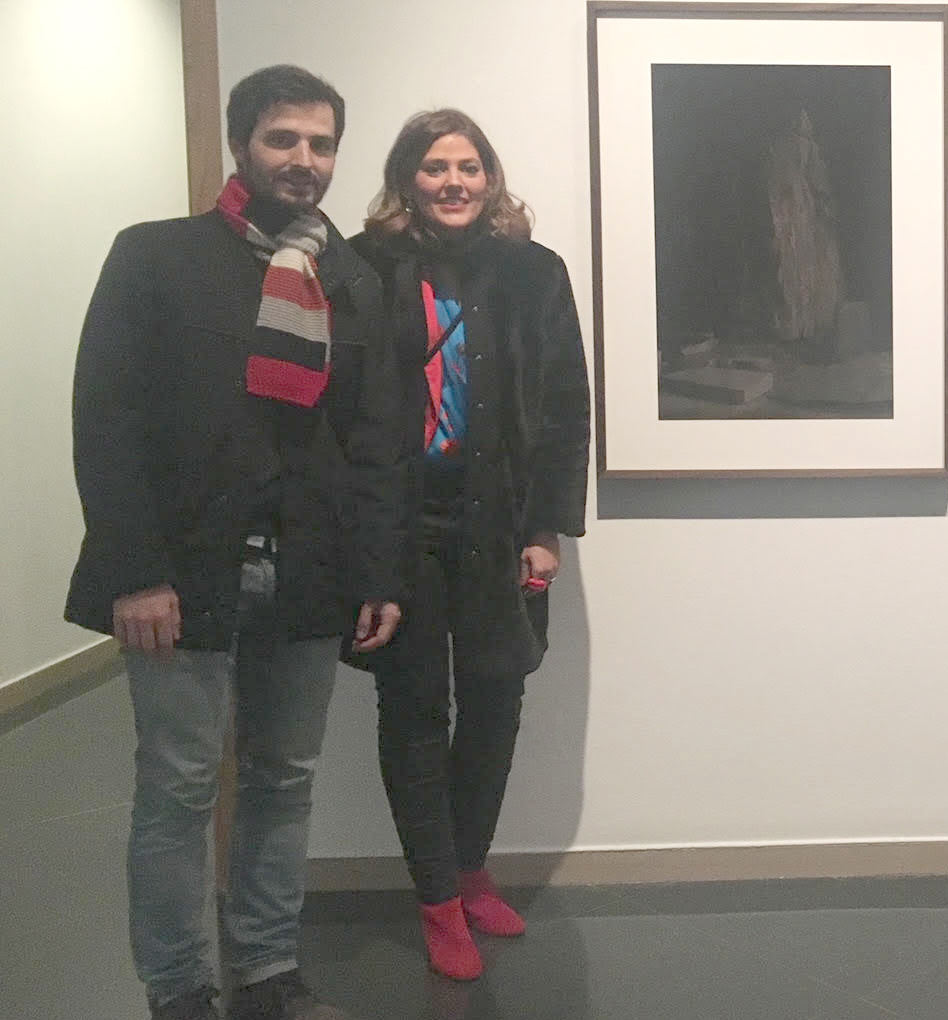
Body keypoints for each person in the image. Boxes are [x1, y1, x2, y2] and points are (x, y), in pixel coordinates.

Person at [67, 65, 407, 1020]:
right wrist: (136, 573)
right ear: (241, 144)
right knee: (177, 788)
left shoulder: (352, 278)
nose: (305, 161)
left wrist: (379, 571)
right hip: (182, 573)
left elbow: (379, 436)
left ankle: (266, 967)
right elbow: (108, 420)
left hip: (311, 568)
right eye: (283, 139)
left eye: (322, 143)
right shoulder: (155, 256)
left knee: (284, 778)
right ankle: (178, 989)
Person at [349, 109, 591, 981]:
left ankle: (472, 867)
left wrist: (545, 529)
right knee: (413, 707)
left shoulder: (534, 271)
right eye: (434, 166)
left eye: (469, 166)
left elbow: (566, 406)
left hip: (502, 522)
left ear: (491, 179)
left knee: (497, 697)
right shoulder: (365, 266)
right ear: (406, 178)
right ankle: (435, 898)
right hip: (402, 522)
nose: (453, 181)